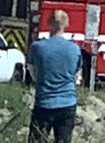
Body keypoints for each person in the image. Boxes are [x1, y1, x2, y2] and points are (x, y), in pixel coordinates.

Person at [28, 10, 82, 143]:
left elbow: (33, 73)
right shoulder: (75, 49)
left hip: (44, 103)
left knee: (37, 140)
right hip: (68, 104)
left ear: (48, 23)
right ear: (66, 25)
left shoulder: (37, 47)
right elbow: (77, 75)